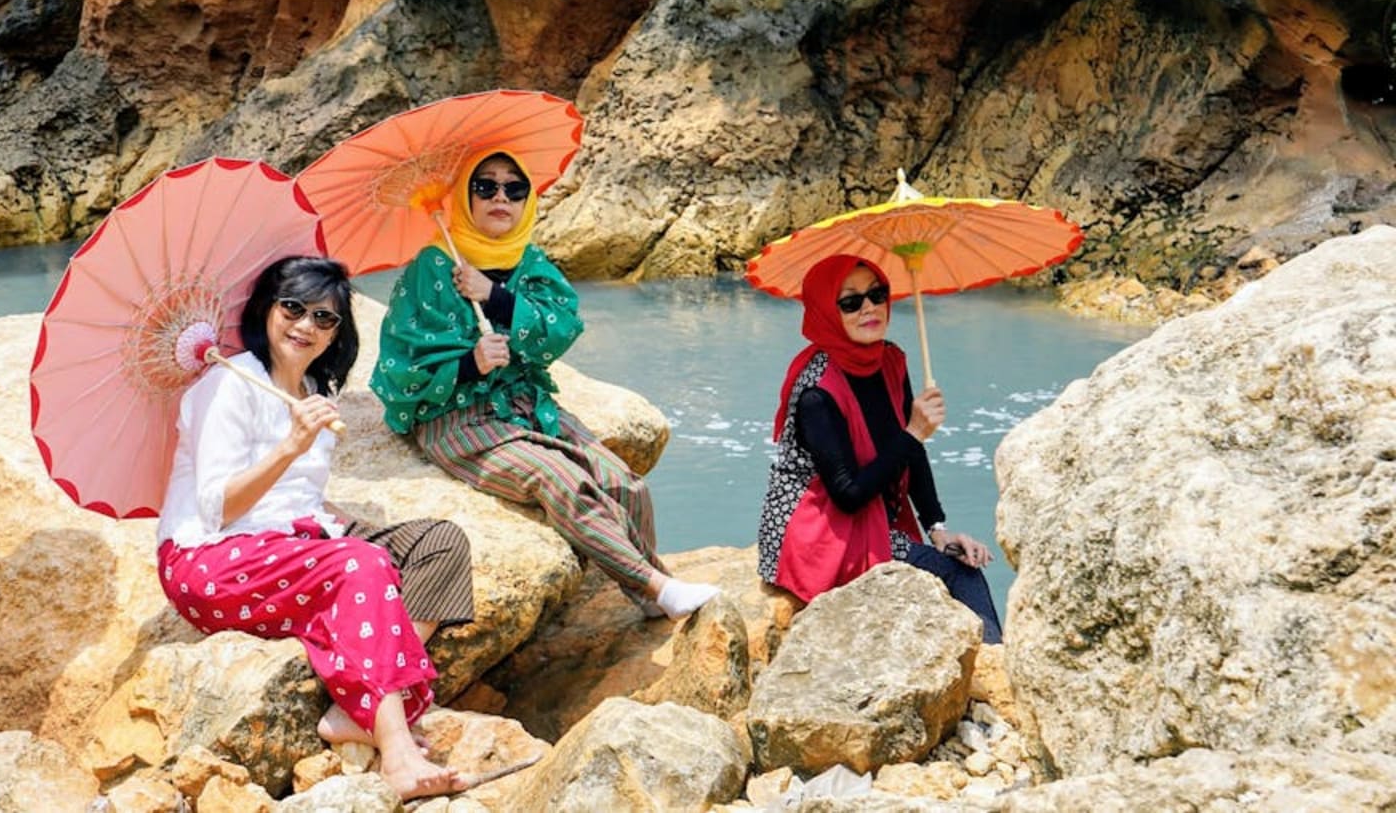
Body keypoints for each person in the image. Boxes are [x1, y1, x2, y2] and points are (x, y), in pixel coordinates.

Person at [156, 256, 474, 801]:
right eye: (293, 309)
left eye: (325, 318)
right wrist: (290, 447)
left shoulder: (309, 390)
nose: (306, 326)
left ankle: (356, 706)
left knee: (438, 544)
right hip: (211, 559)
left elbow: (298, 498)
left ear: (337, 331)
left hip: (295, 540)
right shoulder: (228, 386)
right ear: (265, 310)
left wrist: (339, 520)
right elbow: (220, 508)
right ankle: (395, 747)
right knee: (363, 564)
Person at [371, 152, 720, 619]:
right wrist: (471, 364)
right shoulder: (432, 268)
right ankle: (657, 586)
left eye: (514, 189)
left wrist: (493, 296)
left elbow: (562, 328)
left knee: (624, 483)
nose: (501, 197)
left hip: (525, 403)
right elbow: (399, 368)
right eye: (486, 187)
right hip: (457, 417)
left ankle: (646, 594)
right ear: (464, 198)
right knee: (560, 480)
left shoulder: (529, 259)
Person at [757, 253, 1003, 643]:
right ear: (826, 311)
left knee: (955, 561)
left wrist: (937, 527)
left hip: (876, 513)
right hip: (821, 529)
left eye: (877, 295)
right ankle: (997, 665)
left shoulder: (890, 360)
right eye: (851, 301)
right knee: (959, 573)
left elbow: (911, 450)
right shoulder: (816, 393)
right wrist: (913, 432)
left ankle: (989, 661)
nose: (869, 307)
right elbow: (849, 494)